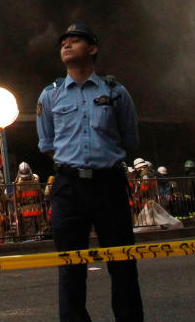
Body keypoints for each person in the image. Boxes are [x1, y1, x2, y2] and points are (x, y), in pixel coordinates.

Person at [36, 22, 143, 322]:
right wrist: (75, 162)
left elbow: (129, 137)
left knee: (122, 263)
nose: (66, 45)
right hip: (69, 188)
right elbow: (47, 143)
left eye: (75, 41)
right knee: (70, 266)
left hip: (109, 183)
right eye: (63, 42)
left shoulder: (116, 92)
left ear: (92, 48)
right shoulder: (50, 95)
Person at [14, 161, 46, 239]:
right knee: (42, 227)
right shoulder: (36, 183)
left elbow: (16, 199)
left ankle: (31, 242)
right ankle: (44, 238)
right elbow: (41, 194)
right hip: (37, 208)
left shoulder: (18, 186)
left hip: (26, 210)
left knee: (29, 229)